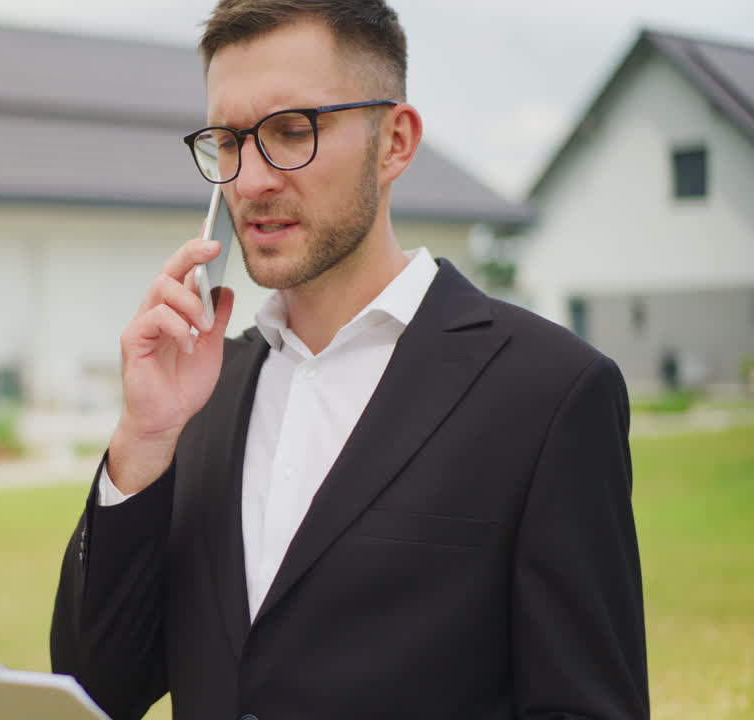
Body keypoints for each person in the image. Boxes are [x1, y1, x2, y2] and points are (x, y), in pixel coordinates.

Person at [50, 1, 650, 718]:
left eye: (291, 131)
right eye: (229, 141)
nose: (249, 181)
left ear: (394, 142)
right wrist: (143, 440)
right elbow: (97, 689)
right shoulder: (200, 392)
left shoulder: (549, 392)